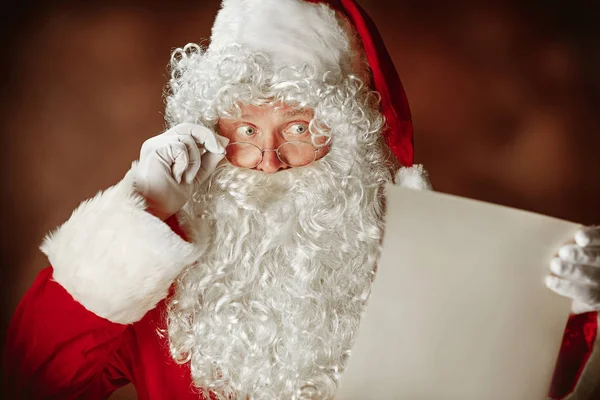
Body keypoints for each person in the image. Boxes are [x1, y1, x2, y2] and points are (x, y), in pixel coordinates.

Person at [3, 0, 600, 399]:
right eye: (243, 130)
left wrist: (573, 314)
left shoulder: (421, 257)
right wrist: (140, 210)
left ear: (346, 137)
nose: (267, 159)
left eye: (296, 128)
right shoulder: (161, 275)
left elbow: (511, 383)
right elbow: (33, 378)